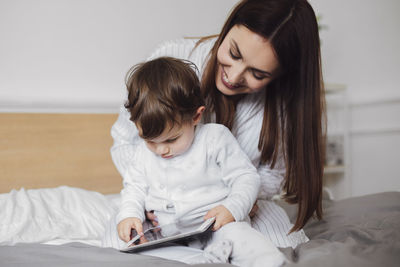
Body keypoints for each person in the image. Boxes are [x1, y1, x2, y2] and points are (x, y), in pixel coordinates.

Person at [110, 0, 324, 249]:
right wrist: (154, 197)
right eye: (233, 54)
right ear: (227, 28)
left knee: (271, 248)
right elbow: (127, 143)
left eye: (258, 74)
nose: (233, 77)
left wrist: (239, 200)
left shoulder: (279, 108)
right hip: (160, 210)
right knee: (121, 242)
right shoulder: (172, 57)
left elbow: (271, 174)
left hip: (235, 206)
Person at [113, 57, 286, 267]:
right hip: (168, 236)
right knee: (128, 249)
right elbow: (134, 188)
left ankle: (272, 263)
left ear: (196, 117)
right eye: (150, 141)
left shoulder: (215, 138)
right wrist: (130, 215)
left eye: (171, 139)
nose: (161, 149)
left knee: (242, 237)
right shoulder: (142, 153)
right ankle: (205, 260)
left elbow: (247, 177)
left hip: (215, 226)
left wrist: (233, 208)